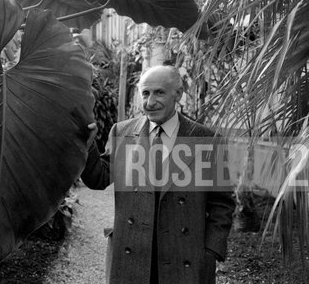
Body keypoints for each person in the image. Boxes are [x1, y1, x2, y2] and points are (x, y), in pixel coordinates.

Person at [82, 65, 235, 284]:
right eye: (145, 93)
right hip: (131, 255)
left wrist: (210, 251)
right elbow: (99, 178)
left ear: (178, 94)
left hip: (184, 257)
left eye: (159, 92)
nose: (150, 102)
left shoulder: (206, 139)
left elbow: (223, 203)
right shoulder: (122, 132)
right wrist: (88, 146)